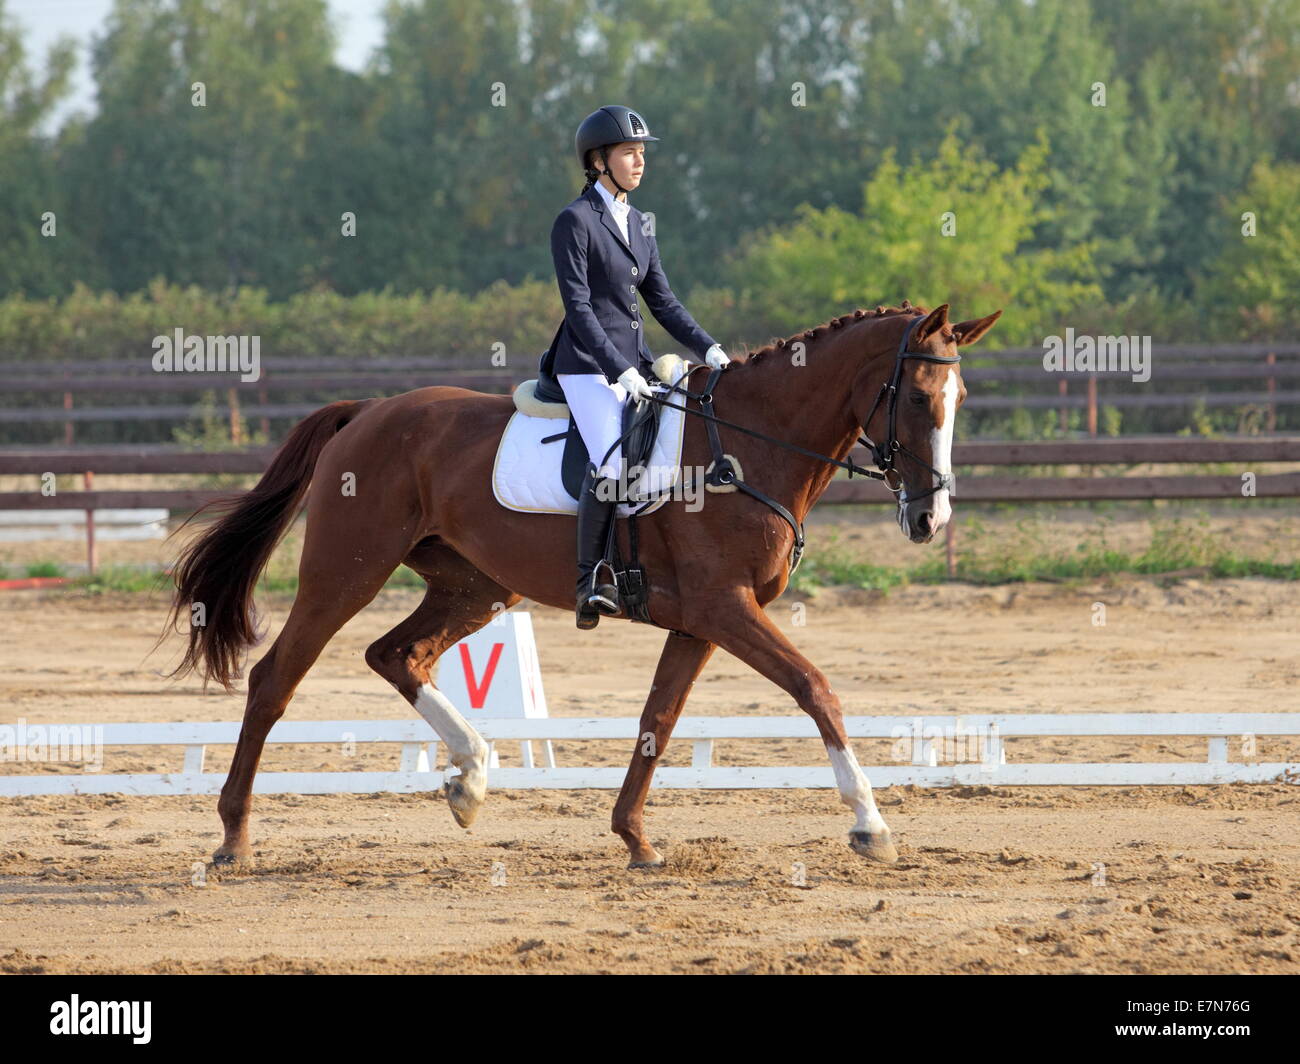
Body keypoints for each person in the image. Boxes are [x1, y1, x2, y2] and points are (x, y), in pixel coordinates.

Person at [547, 105, 731, 630]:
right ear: (599, 160)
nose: (639, 161)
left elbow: (663, 301)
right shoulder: (575, 221)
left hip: (635, 363)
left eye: (643, 152)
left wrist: (708, 346)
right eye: (629, 152)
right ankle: (589, 582)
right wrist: (618, 371)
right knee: (611, 464)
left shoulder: (638, 223)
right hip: (586, 365)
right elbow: (578, 309)